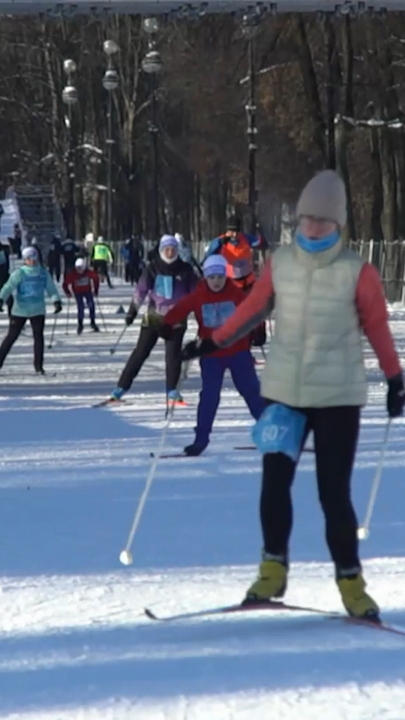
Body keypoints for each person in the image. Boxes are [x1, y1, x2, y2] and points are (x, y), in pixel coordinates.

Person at [181, 169, 405, 622]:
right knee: (274, 482)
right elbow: (251, 309)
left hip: (338, 398)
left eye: (322, 220)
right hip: (284, 395)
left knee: (333, 494)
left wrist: (395, 378)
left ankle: (351, 583)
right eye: (307, 218)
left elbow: (378, 327)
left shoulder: (357, 272)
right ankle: (272, 570)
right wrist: (213, 341)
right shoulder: (280, 264)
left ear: (337, 223)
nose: (313, 227)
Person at [160, 254, 264, 455]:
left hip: (238, 351)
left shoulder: (236, 294)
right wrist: (167, 324)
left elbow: (253, 311)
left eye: (220, 277)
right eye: (212, 277)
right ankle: (201, 439)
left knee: (251, 391)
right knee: (209, 396)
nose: (216, 281)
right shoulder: (199, 296)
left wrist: (258, 331)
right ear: (205, 277)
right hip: (211, 354)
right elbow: (180, 308)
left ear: (226, 276)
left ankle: (271, 431)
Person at [110, 234, 198, 403]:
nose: (170, 252)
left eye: (173, 249)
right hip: (154, 317)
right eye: (167, 249)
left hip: (176, 319)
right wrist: (132, 311)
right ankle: (121, 388)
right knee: (141, 352)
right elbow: (140, 291)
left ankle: (172, 390)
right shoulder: (152, 268)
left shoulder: (185, 269)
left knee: (173, 356)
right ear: (161, 250)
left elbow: (195, 293)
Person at [0, 246, 62, 374]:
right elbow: (8, 287)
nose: (32, 261)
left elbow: (51, 288)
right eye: (29, 258)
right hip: (20, 310)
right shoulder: (20, 273)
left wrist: (56, 301)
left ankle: (38, 367)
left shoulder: (43, 273)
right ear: (25, 260)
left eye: (34, 258)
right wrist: (1, 299)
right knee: (11, 337)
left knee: (38, 337)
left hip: (37, 310)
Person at [204, 215, 263, 291]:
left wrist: (261, 233)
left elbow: (261, 243)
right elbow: (208, 255)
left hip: (249, 283)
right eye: (232, 232)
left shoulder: (246, 238)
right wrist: (219, 243)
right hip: (231, 285)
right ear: (227, 231)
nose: (235, 235)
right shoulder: (220, 241)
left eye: (237, 232)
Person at [63, 258, 100, 334]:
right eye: (77, 268)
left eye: (81, 268)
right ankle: (80, 324)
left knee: (91, 305)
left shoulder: (88, 272)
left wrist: (96, 290)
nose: (79, 270)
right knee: (81, 307)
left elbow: (96, 278)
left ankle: (92, 322)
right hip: (78, 292)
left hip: (87, 291)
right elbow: (65, 284)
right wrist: (68, 293)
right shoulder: (73, 274)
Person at [0, 238, 12, 315]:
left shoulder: (3, 250)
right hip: (4, 277)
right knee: (9, 300)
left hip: (4, 278)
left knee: (10, 300)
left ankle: (13, 318)